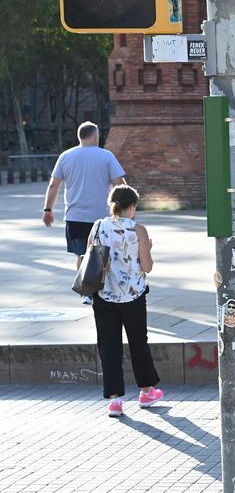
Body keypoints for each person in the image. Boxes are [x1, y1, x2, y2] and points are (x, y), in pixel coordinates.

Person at [87, 185, 164, 417]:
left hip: (104, 296)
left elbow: (89, 255)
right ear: (131, 207)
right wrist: (148, 248)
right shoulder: (138, 230)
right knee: (138, 343)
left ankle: (115, 401)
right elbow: (147, 266)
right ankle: (147, 391)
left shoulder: (99, 225)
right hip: (133, 296)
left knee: (108, 346)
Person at [43, 121, 127, 288]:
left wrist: (48, 209)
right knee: (104, 253)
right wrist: (125, 210)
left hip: (75, 217)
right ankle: (103, 288)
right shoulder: (106, 156)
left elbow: (54, 185)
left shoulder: (65, 156)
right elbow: (120, 184)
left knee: (82, 253)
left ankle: (86, 289)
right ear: (95, 137)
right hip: (102, 216)